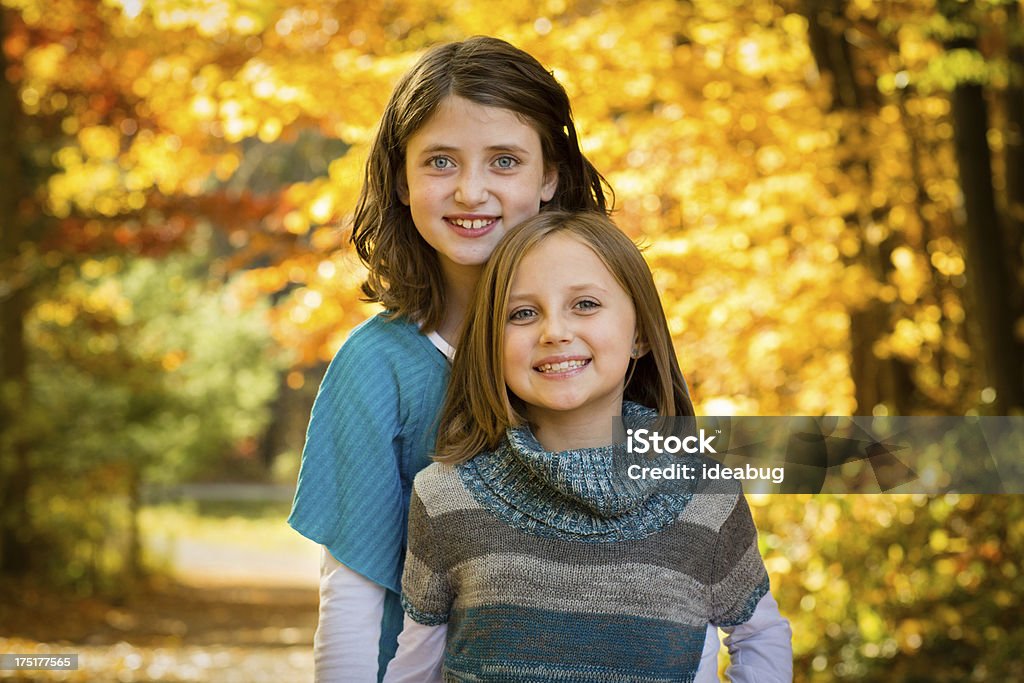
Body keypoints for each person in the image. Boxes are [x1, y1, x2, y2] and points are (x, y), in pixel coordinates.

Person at [287, 36, 612, 682]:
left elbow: (685, 542)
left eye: (504, 161)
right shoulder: (375, 368)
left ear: (548, 175)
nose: (470, 190)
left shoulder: (605, 344)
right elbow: (353, 599)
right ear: (401, 179)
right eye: (440, 161)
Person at [385, 211, 793, 682]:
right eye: (522, 313)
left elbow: (759, 636)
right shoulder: (444, 497)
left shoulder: (705, 492)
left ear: (640, 333)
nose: (554, 331)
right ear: (490, 344)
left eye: (584, 304)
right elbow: (416, 665)